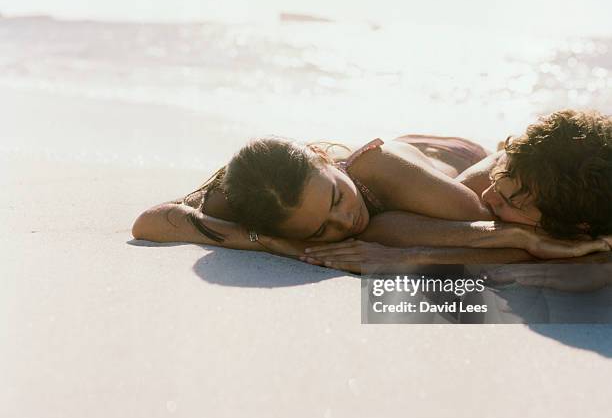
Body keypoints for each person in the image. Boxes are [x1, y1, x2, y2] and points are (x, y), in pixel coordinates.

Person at [132, 110, 612, 272]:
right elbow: (151, 221)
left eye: (337, 199)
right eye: (321, 229)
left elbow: (394, 229)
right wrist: (272, 243)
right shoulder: (257, 196)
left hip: (455, 159)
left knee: (474, 203)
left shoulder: (379, 169)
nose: (346, 224)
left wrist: (523, 240)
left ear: (326, 161)